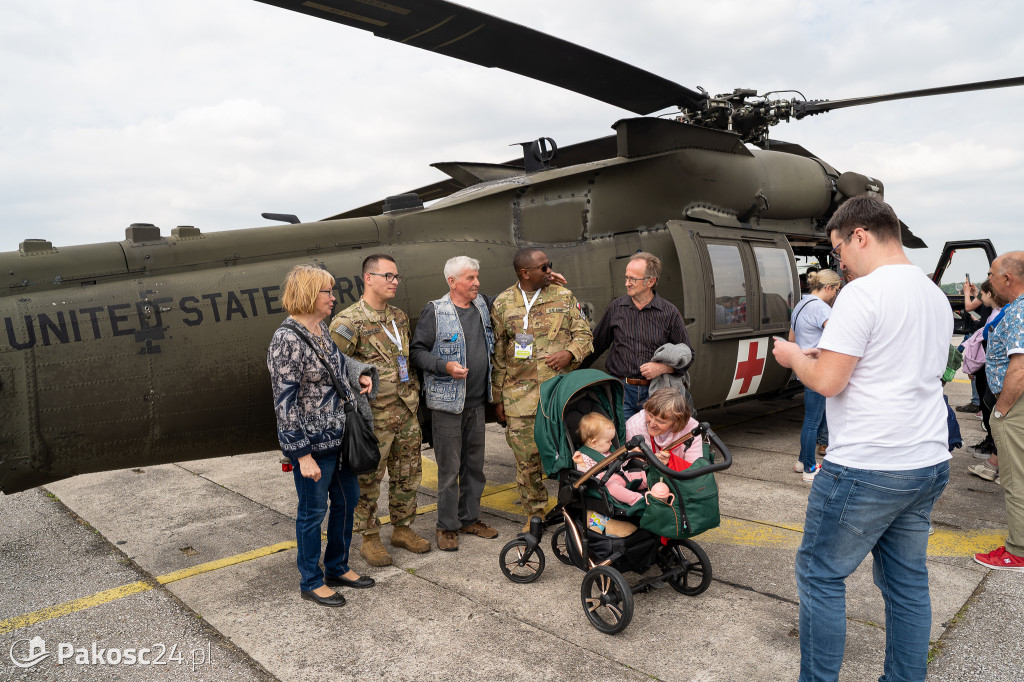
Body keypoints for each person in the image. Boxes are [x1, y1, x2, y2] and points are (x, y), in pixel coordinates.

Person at [772, 196, 952, 681]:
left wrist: (792, 355)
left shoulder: (863, 292)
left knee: (820, 575)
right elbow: (892, 361)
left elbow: (829, 382)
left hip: (869, 465)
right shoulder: (933, 294)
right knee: (908, 585)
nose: (839, 264)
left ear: (860, 236)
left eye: (838, 251)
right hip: (927, 460)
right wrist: (822, 354)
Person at [267, 265, 378, 607]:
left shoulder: (321, 330)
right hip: (313, 447)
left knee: (347, 502)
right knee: (312, 513)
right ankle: (311, 580)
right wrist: (301, 456)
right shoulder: (286, 340)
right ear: (309, 295)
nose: (333, 298)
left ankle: (337, 567)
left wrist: (357, 377)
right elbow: (284, 404)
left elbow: (336, 363)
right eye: (328, 292)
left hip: (340, 438)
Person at [330, 254, 431, 567]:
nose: (394, 281)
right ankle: (369, 537)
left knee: (408, 473)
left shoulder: (398, 317)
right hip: (373, 418)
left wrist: (412, 392)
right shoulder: (348, 323)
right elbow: (335, 368)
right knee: (369, 479)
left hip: (405, 410)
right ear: (368, 278)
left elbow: (404, 360)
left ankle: (402, 528)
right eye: (387, 276)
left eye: (396, 276)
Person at [491, 247, 593, 530]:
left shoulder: (563, 296)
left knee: (570, 454)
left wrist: (570, 353)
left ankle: (572, 508)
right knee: (526, 460)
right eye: (544, 268)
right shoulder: (502, 304)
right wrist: (497, 397)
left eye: (550, 266)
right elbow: (498, 353)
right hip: (519, 397)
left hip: (560, 395)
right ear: (525, 273)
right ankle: (534, 513)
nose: (550, 272)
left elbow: (585, 334)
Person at [410, 256, 500, 552]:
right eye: (470, 278)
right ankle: (446, 527)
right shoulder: (435, 312)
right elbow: (418, 352)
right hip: (447, 406)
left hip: (475, 404)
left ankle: (468, 519)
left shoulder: (482, 306)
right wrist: (444, 366)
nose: (477, 283)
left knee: (474, 467)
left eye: (477, 277)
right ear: (452, 282)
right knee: (449, 470)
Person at [582, 252, 693, 419]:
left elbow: (689, 355)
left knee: (652, 440)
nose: (627, 283)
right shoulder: (616, 308)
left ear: (651, 281)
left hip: (656, 392)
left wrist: (663, 368)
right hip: (622, 391)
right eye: (626, 277)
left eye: (633, 279)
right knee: (623, 441)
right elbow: (595, 346)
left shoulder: (669, 313)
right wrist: (567, 374)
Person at [973, 251, 1024, 572]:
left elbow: (1019, 370)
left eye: (992, 274)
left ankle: (1018, 551)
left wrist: (1001, 411)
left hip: (1016, 407)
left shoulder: (1019, 314)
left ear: (1007, 278)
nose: (989, 280)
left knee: (1015, 478)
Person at [788, 268, 841, 482]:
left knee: (812, 418)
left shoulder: (801, 304)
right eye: (836, 290)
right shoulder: (821, 309)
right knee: (813, 421)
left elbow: (792, 338)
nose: (836, 294)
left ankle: (802, 461)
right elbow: (838, 337)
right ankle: (810, 468)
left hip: (804, 368)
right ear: (828, 287)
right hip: (819, 369)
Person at [572, 412, 677, 506]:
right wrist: (580, 463)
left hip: (623, 475)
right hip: (607, 484)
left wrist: (633, 453)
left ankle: (658, 485)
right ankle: (637, 499)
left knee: (643, 474)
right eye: (608, 441)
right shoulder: (584, 456)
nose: (611, 443)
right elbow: (585, 476)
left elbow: (622, 461)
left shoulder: (609, 450)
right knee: (614, 488)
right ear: (594, 442)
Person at [624, 388, 703, 468]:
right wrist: (630, 456)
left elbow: (696, 469)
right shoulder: (633, 427)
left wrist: (671, 462)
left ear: (676, 422)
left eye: (660, 421)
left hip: (677, 478)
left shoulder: (691, 430)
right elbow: (618, 468)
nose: (652, 424)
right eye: (650, 415)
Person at [957, 277, 993, 413]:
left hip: (985, 347)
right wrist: (976, 293)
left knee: (981, 379)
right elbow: (983, 310)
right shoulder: (995, 308)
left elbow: (969, 307)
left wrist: (967, 293)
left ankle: (980, 405)